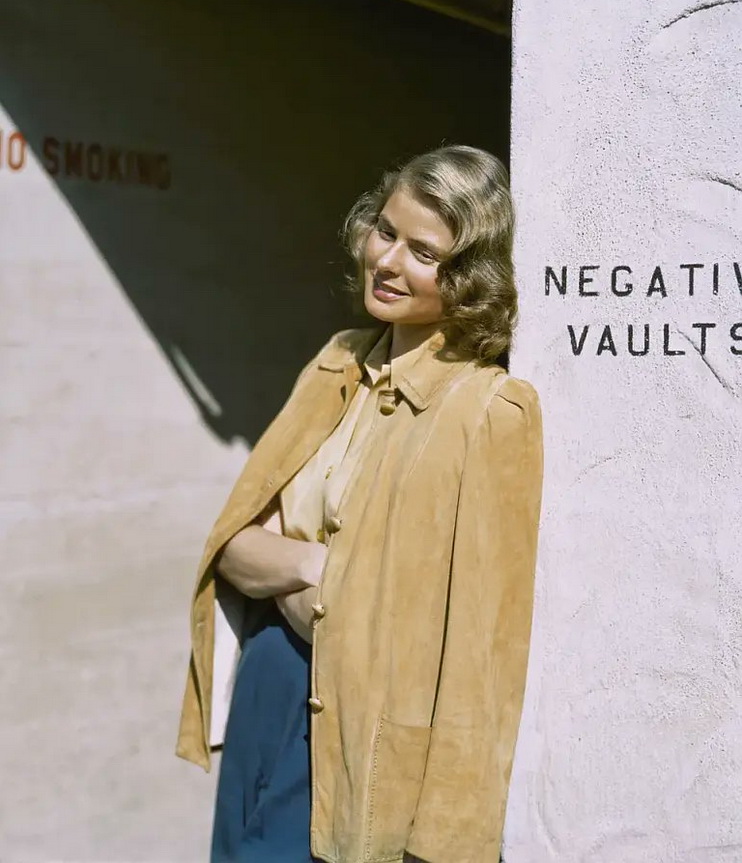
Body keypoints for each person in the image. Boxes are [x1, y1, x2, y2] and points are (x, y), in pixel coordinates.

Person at [176, 144, 544, 863]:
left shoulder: (488, 411)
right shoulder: (336, 361)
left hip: (367, 732)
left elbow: (483, 655)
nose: (388, 261)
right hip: (268, 690)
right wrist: (315, 566)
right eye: (386, 231)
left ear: (471, 275)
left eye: (424, 253)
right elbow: (236, 545)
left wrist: (450, 839)